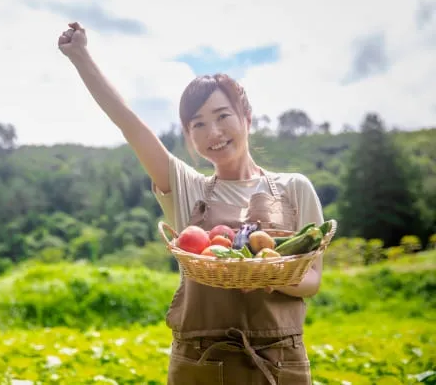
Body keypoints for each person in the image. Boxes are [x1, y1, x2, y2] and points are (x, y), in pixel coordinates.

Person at [58, 22, 324, 385]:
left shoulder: (295, 188)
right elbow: (130, 126)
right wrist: (81, 58)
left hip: (279, 362)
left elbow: (311, 280)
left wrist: (268, 275)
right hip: (200, 362)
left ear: (246, 118)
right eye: (197, 124)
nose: (212, 132)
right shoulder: (187, 189)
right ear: (188, 137)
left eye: (222, 116)